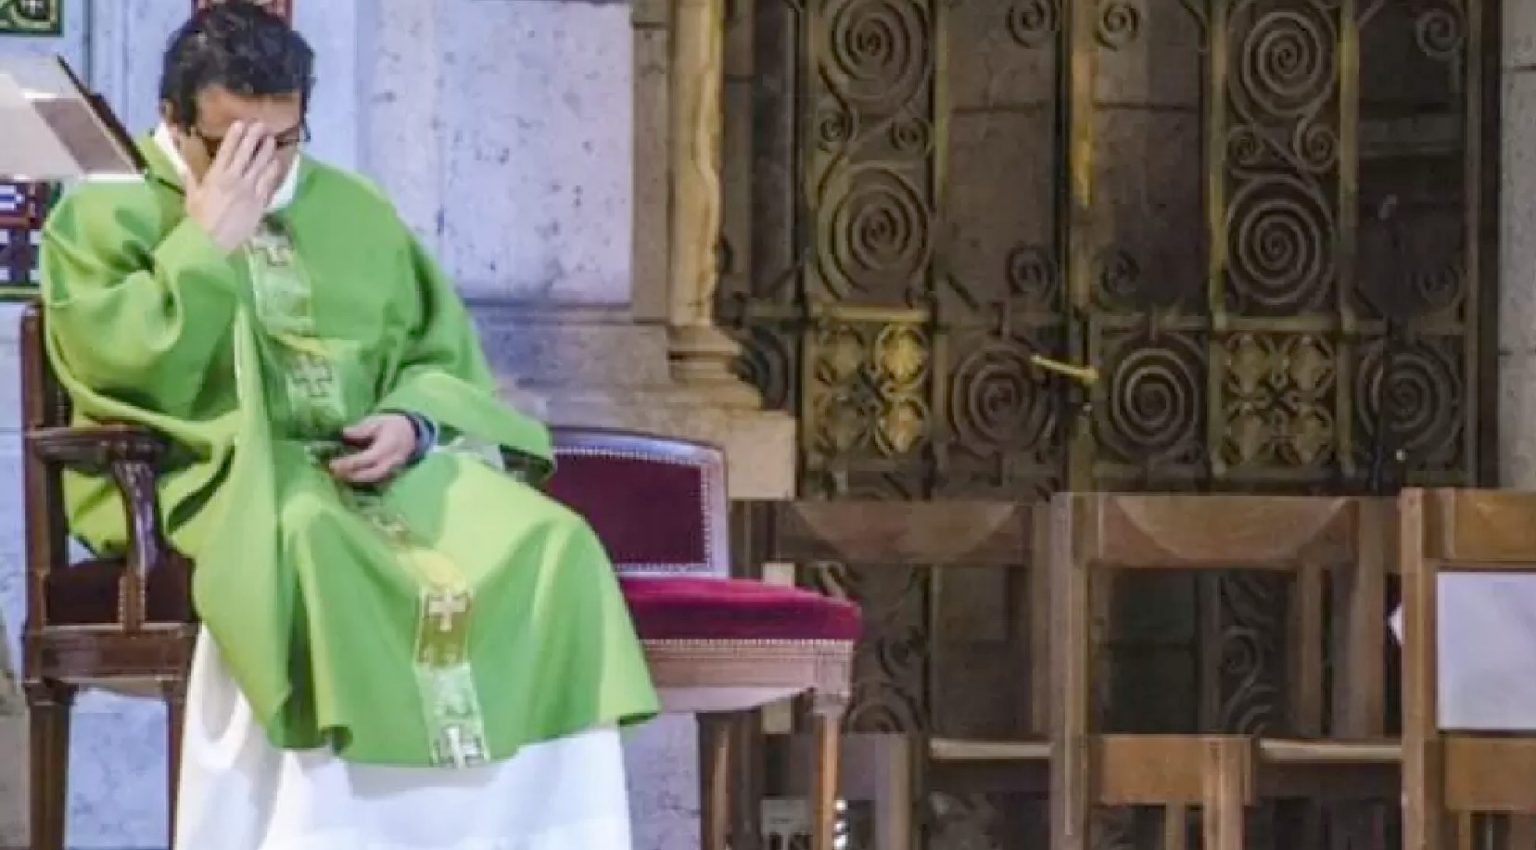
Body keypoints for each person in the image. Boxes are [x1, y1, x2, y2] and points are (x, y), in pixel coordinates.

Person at [39, 3, 659, 848]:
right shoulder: (102, 217)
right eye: (232, 145)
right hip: (216, 476)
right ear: (174, 120)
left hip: (384, 471)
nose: (262, 168)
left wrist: (413, 421)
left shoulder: (356, 208)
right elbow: (116, 365)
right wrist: (205, 244)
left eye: (282, 141)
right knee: (311, 540)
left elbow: (438, 355)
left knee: (555, 544)